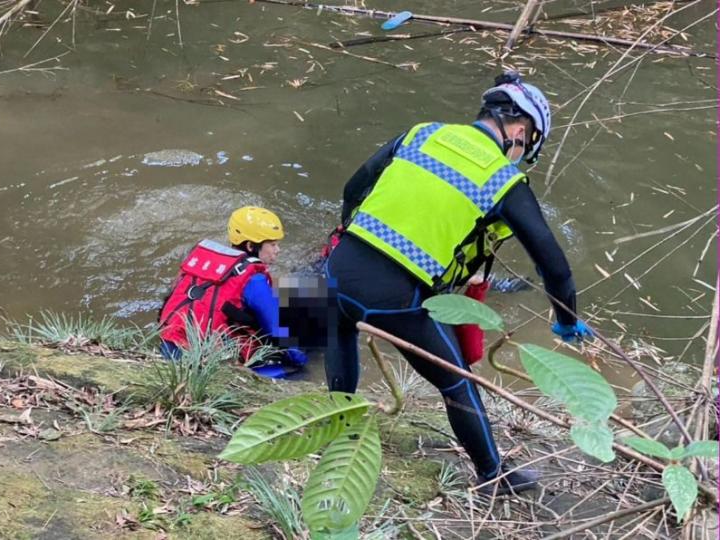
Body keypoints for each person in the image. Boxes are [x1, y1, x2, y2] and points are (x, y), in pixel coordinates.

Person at [324, 72, 594, 496]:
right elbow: (555, 268)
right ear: (519, 131)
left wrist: (350, 238)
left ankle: (336, 429)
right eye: (525, 148)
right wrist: (566, 320)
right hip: (394, 297)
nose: (519, 156)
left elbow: (353, 188)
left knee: (341, 331)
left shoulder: (421, 133)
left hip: (339, 267)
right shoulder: (503, 180)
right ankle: (492, 475)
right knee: (457, 381)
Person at [158, 206, 308, 378]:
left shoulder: (199, 264)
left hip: (169, 348)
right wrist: (300, 355)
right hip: (207, 367)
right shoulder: (254, 280)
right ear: (251, 246)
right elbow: (280, 333)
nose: (277, 250)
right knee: (298, 368)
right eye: (272, 244)